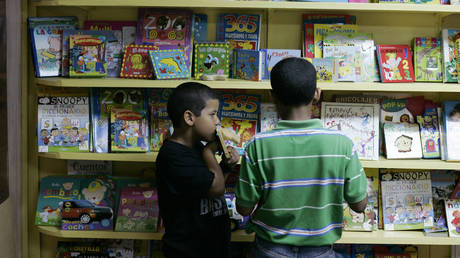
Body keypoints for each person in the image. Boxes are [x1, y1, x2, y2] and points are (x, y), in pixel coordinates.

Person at [235, 58, 368, 258]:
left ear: (272, 96)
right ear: (317, 93)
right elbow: (359, 205)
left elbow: (244, 208)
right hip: (320, 250)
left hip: (269, 248)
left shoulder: (257, 145)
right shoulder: (342, 144)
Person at [155, 82, 239, 258]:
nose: (218, 121)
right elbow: (217, 188)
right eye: (212, 114)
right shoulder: (172, 155)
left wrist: (226, 165)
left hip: (213, 246)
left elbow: (208, 182)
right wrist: (209, 151)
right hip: (188, 250)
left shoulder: (195, 146)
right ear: (189, 118)